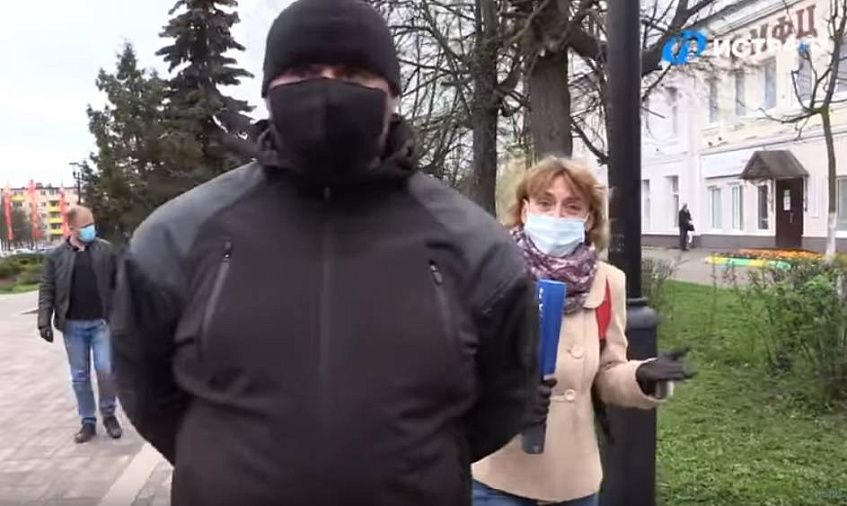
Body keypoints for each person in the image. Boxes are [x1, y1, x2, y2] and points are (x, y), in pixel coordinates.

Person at [110, 1, 538, 505]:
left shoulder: (473, 245)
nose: (329, 91)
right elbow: (146, 391)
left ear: (392, 93)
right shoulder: (179, 235)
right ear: (269, 89)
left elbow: (504, 400)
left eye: (354, 74)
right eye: (305, 72)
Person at [472, 158, 694, 506]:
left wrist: (640, 376)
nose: (557, 216)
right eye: (545, 203)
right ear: (526, 210)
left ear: (589, 218)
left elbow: (607, 372)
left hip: (573, 481)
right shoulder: (492, 273)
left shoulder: (608, 282)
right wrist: (509, 396)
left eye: (572, 206)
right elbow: (461, 365)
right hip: (499, 474)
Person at [37, 206, 122, 443]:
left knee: (106, 370)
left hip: (101, 323)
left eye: (92, 224)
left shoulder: (105, 250)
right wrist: (44, 321)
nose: (90, 229)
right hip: (73, 326)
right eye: (85, 226)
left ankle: (109, 414)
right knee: (80, 376)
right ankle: (88, 421)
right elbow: (47, 288)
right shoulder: (56, 256)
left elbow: (119, 283)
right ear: (72, 228)